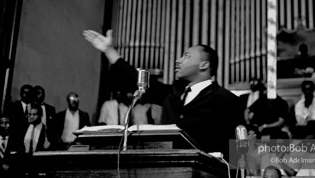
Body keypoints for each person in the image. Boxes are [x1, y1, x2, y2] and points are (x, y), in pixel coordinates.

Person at [83, 29, 244, 159]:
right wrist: (109, 51)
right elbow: (135, 78)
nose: (178, 60)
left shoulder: (227, 100)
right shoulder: (172, 95)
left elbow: (240, 154)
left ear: (204, 65)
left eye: (186, 56)